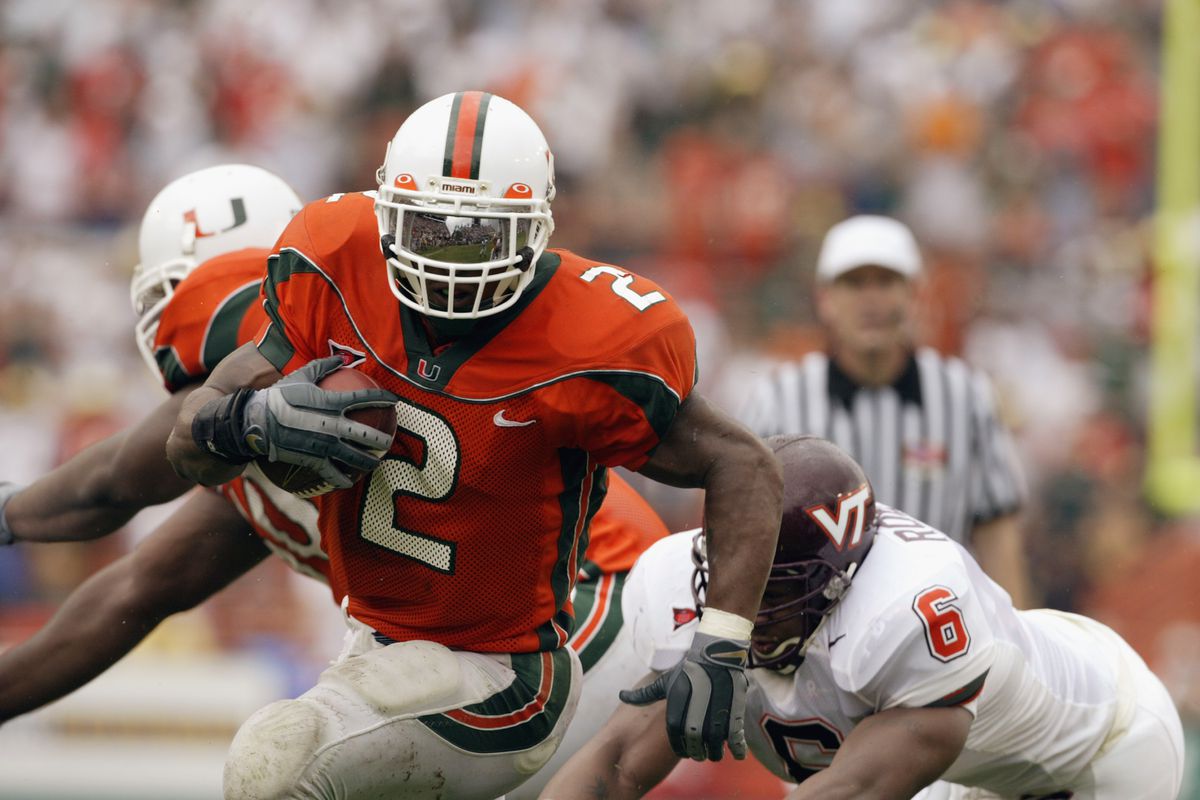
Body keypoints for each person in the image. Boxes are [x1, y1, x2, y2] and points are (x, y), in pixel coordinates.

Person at [165, 91, 783, 799]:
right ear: (386, 212)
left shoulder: (593, 335)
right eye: (431, 229)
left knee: (275, 764)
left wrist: (725, 637)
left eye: (480, 233)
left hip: (506, 676)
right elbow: (191, 436)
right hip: (376, 642)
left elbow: (742, 462)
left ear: (539, 227)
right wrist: (245, 420)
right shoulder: (334, 259)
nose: (452, 258)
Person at [0, 160, 675, 763]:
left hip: (565, 622)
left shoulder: (254, 320)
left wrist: (9, 509)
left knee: (296, 762)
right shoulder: (279, 435)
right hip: (595, 623)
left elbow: (115, 481)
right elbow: (131, 591)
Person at [541, 435, 1185, 800]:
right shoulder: (675, 579)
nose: (745, 601)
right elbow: (618, 762)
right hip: (959, 779)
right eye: (736, 569)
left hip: (1102, 751)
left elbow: (850, 792)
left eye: (774, 583)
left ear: (840, 578)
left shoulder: (908, 606)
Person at [737, 214, 1034, 607]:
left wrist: (1017, 633)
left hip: (940, 623)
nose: (871, 299)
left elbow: (998, 534)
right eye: (855, 283)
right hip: (810, 628)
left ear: (914, 295)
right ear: (825, 299)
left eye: (886, 282)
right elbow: (745, 529)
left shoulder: (965, 395)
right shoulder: (778, 398)